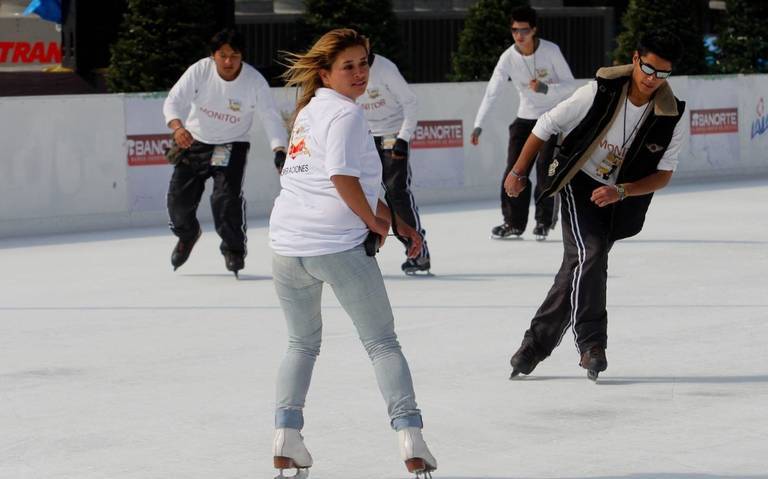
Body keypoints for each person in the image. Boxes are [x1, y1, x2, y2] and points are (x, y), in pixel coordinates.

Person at [268, 29, 437, 477]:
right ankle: (411, 440)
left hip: (287, 247)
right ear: (325, 72)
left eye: (364, 63)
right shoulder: (345, 115)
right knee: (382, 343)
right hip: (334, 246)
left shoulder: (309, 111)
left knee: (300, 343)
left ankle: (286, 437)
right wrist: (375, 223)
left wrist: (395, 221)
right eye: (349, 66)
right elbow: (342, 179)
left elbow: (343, 179)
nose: (361, 73)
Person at [505, 32, 686, 381]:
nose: (652, 79)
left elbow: (663, 175)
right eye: (648, 68)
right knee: (591, 253)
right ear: (636, 59)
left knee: (582, 263)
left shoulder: (670, 115)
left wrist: (622, 190)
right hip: (578, 179)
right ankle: (592, 344)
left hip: (618, 196)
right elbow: (546, 124)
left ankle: (533, 346)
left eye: (662, 73)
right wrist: (518, 171)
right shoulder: (598, 92)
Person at [163, 28, 287, 277]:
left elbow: (270, 116)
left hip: (231, 145)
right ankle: (187, 235)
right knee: (178, 203)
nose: (229, 62)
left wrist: (279, 148)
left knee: (225, 200)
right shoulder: (200, 70)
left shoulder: (254, 82)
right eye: (223, 55)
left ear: (242, 56)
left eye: (235, 55)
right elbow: (173, 101)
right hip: (194, 142)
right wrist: (177, 128)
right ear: (213, 56)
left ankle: (233, 249)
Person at [471, 6, 575, 240]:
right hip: (525, 118)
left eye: (524, 30)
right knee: (514, 171)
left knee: (546, 171)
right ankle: (513, 223)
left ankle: (543, 222)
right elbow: (492, 91)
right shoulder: (508, 57)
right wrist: (479, 123)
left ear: (534, 30)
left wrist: (546, 88)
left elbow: (571, 85)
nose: (519, 35)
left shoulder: (551, 50)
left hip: (551, 119)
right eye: (515, 30)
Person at [357, 52, 431, 274]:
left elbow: (410, 102)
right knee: (358, 193)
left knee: (396, 192)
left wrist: (403, 138)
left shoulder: (385, 68)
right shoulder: (344, 68)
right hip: (364, 136)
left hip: (392, 134)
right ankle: (358, 250)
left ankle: (418, 251)